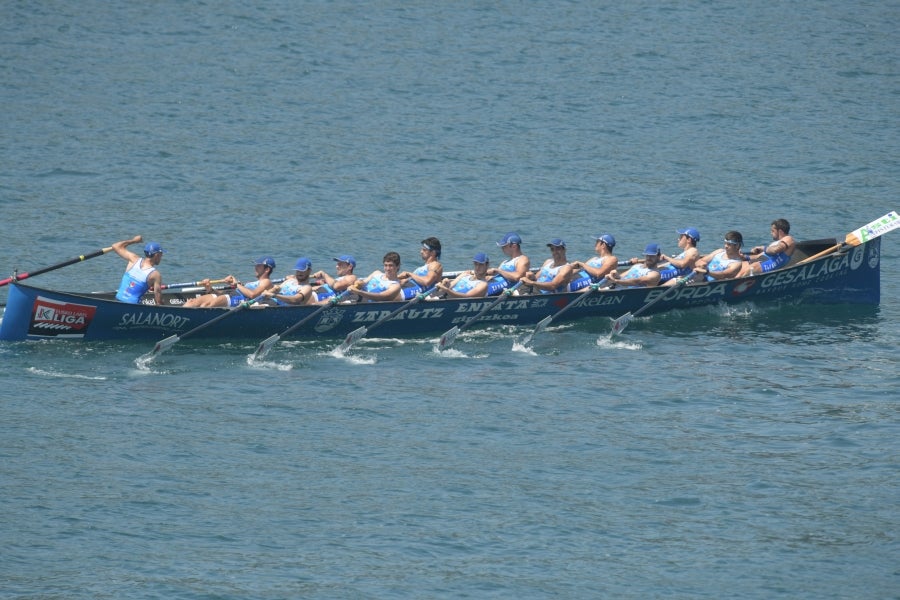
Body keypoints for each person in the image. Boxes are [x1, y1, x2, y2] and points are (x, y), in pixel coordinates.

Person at [184, 256, 276, 308]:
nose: (255, 267)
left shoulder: (267, 282)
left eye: (258, 266)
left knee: (206, 305)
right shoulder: (251, 283)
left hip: (242, 299)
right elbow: (225, 293)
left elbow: (252, 295)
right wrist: (209, 288)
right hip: (232, 294)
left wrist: (236, 284)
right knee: (192, 302)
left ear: (267, 269)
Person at [113, 236, 165, 305]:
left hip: (117, 300)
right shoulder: (155, 275)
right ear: (157, 255)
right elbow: (158, 302)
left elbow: (115, 246)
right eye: (161, 254)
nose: (162, 256)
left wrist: (134, 241)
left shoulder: (133, 259)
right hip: (133, 307)